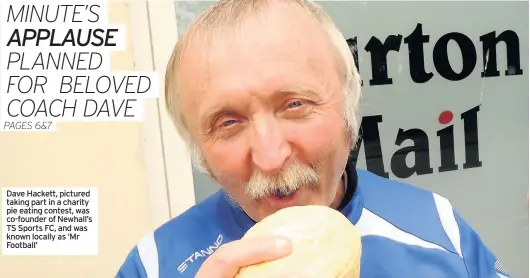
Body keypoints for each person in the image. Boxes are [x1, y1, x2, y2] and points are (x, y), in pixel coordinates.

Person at [116, 0, 511, 277]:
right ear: (199, 151)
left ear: (348, 111)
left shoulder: (436, 226)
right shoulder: (152, 266)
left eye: (295, 104)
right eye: (228, 122)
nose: (271, 157)